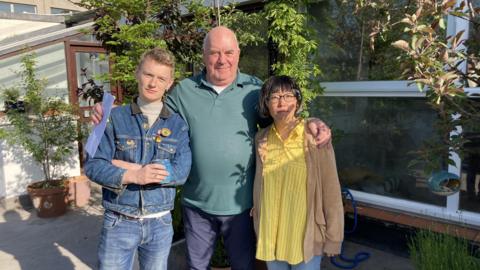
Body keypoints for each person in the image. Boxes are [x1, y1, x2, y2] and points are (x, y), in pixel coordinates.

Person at [92, 26, 331, 270]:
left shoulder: (254, 89)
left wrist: (312, 121)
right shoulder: (185, 90)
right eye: (214, 53)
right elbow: (151, 109)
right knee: (197, 267)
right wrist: (111, 110)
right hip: (197, 205)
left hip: (241, 205)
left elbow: (283, 122)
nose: (222, 59)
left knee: (244, 266)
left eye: (228, 52)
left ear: (238, 53)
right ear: (204, 56)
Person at [84, 48, 192, 270]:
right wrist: (133, 175)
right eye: (148, 74)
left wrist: (136, 169)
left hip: (160, 223)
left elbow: (181, 172)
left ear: (169, 83)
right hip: (118, 220)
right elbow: (93, 166)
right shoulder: (112, 117)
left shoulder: (177, 124)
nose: (153, 83)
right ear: (137, 74)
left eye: (161, 78)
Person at [252, 75, 344, 270]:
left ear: (297, 100)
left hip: (304, 237)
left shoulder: (314, 136)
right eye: (274, 97)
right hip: (272, 234)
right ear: (266, 104)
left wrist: (334, 238)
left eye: (287, 95)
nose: (282, 102)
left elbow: (331, 189)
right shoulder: (261, 138)